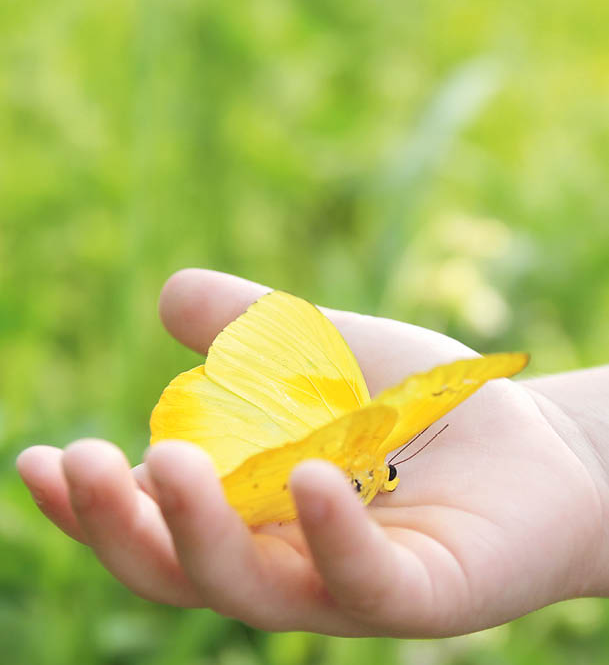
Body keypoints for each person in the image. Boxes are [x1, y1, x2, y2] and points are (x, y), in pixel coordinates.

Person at [16, 269, 609, 638]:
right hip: (264, 464)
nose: (387, 477)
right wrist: (580, 441)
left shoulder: (371, 445)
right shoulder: (370, 446)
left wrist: (585, 450)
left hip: (254, 450)